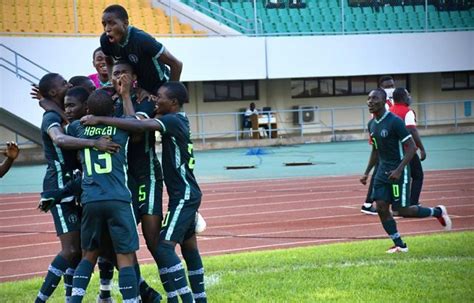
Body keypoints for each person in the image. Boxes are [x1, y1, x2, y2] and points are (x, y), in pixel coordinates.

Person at [81, 82, 207, 302]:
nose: (156, 100)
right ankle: (190, 297)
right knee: (182, 243)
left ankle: (183, 298)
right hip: (177, 192)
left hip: (183, 193)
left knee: (164, 246)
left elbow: (138, 127)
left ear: (174, 102)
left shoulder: (171, 119)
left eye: (160, 97)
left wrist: (100, 119)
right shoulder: (173, 118)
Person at [34, 73, 119, 303]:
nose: (68, 85)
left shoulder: (76, 121)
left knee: (94, 246)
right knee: (72, 250)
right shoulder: (52, 116)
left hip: (77, 188)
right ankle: (40, 300)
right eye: (63, 85)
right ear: (54, 93)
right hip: (60, 187)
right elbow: (60, 139)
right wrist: (95, 143)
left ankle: (102, 294)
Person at [67, 90, 140, 302]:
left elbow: (64, 137)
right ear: (112, 110)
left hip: (91, 199)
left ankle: (74, 300)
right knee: (125, 257)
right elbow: (134, 122)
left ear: (87, 110)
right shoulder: (121, 126)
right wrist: (125, 96)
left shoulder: (77, 127)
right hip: (118, 198)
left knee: (88, 255)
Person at [360, 88, 452, 253]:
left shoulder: (395, 122)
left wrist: (399, 169)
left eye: (374, 98)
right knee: (381, 207)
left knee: (402, 210)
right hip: (382, 173)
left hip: (398, 173)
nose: (370, 102)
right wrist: (367, 172)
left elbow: (411, 148)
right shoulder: (371, 124)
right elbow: (375, 150)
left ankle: (437, 211)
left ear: (383, 101)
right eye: (368, 99)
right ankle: (400, 244)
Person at [100, 4, 183, 94]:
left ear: (125, 24)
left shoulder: (142, 39)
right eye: (104, 24)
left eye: (112, 23)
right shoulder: (105, 40)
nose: (107, 28)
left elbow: (176, 65)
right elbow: (108, 61)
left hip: (160, 86)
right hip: (139, 89)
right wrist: (113, 82)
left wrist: (169, 94)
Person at [361, 75, 396, 215]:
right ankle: (369, 202)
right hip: (381, 137)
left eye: (392, 86)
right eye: (387, 86)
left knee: (380, 170)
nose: (390, 89)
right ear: (381, 87)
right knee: (379, 170)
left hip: (389, 138)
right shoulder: (381, 101)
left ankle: (372, 202)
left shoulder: (390, 101)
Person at [390, 88, 426, 207]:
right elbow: (412, 130)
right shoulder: (407, 112)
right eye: (408, 95)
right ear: (403, 97)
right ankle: (413, 202)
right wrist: (421, 148)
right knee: (417, 176)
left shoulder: (389, 111)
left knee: (396, 177)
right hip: (406, 150)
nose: (409, 97)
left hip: (392, 150)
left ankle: (396, 201)